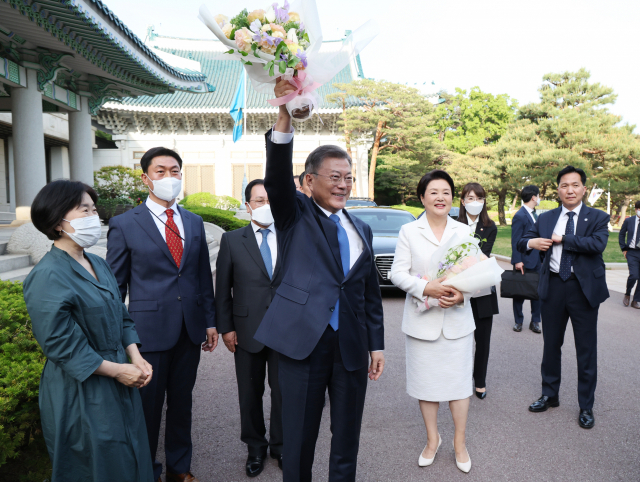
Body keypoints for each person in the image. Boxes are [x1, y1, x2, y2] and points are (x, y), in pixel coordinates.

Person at [253, 78, 385, 482]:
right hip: (301, 346)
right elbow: (276, 176)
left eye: (348, 177)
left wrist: (376, 345)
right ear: (309, 181)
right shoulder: (294, 215)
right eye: (334, 177)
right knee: (298, 441)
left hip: (349, 348)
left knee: (347, 440)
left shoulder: (360, 226)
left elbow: (367, 292)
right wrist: (284, 114)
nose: (344, 184)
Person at [24, 180, 154, 482]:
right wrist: (117, 370)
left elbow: (120, 315)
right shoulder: (46, 275)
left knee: (132, 456)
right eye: (85, 210)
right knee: (96, 465)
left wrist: (134, 356)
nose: (94, 217)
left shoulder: (97, 262)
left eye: (95, 210)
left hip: (120, 375)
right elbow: (61, 345)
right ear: (58, 221)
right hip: (82, 388)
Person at [107, 147, 218, 482]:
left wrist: (210, 321)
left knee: (182, 404)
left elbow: (201, 278)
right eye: (160, 171)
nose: (169, 177)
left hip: (190, 328)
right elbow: (115, 287)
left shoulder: (195, 222)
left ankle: (179, 468)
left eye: (175, 171)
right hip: (148, 332)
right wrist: (121, 337)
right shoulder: (124, 224)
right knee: (147, 409)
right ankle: (146, 470)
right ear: (145, 178)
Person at [390, 170, 474, 474]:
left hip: (457, 323)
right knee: (426, 386)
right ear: (422, 197)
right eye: (434, 192)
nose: (441, 197)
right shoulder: (408, 232)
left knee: (460, 386)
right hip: (422, 323)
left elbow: (479, 278)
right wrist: (426, 288)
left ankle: (459, 444)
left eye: (446, 192)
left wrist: (462, 297)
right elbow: (396, 273)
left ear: (453, 198)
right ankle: (432, 439)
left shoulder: (464, 231)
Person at [518, 165, 609, 429]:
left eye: (575, 185)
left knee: (586, 349)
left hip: (583, 291)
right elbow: (523, 240)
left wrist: (564, 239)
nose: (570, 190)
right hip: (554, 286)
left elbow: (597, 244)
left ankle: (586, 406)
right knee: (551, 345)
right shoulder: (545, 218)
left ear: (583, 188)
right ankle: (550, 394)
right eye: (564, 185)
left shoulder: (598, 217)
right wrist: (530, 243)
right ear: (557, 189)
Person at [216, 179, 284, 477]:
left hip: (285, 330)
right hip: (246, 330)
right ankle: (255, 447)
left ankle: (280, 447)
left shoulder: (291, 236)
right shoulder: (232, 240)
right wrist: (226, 328)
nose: (265, 205)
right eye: (258, 200)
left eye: (269, 200)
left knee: (284, 392)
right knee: (250, 393)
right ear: (248, 206)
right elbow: (222, 289)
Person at [458, 183, 499, 400]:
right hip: (457, 290)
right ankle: (460, 378)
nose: (475, 202)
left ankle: (480, 381)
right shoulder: (452, 223)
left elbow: (483, 254)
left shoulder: (490, 226)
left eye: (479, 198)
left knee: (482, 338)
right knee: (458, 337)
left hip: (482, 289)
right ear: (463, 201)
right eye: (470, 198)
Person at [510, 185, 542, 333]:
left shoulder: (537, 215)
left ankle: (535, 321)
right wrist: (517, 260)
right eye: (539, 195)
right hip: (523, 261)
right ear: (534, 197)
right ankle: (518, 321)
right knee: (519, 292)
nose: (540, 198)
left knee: (537, 293)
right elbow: (515, 240)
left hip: (538, 261)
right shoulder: (520, 216)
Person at [619, 200, 640, 309]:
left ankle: (636, 300)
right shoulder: (629, 221)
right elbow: (621, 234)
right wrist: (624, 248)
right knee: (634, 275)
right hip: (632, 252)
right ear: (637, 209)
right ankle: (627, 293)